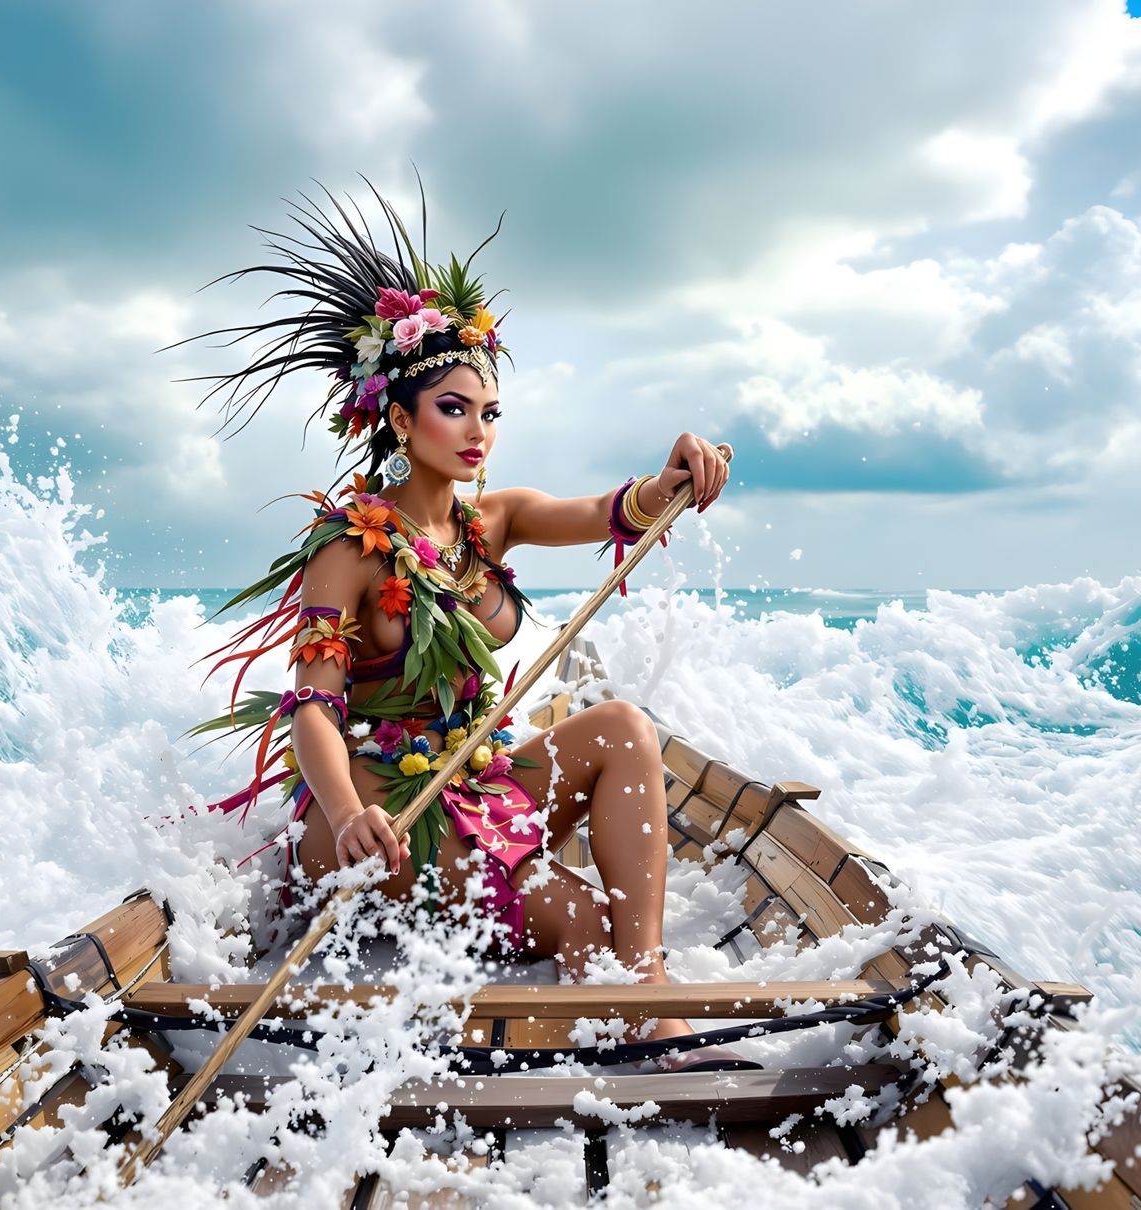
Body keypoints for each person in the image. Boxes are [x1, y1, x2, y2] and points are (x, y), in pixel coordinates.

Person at [182, 177, 745, 1071]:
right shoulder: (352, 549)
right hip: (375, 816)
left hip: (473, 783)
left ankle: (645, 990)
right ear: (399, 420)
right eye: (453, 409)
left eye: (488, 412)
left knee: (625, 729)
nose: (477, 430)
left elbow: (613, 512)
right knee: (578, 920)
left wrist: (674, 476)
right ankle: (610, 979)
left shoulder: (493, 520)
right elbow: (313, 709)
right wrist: (345, 809)